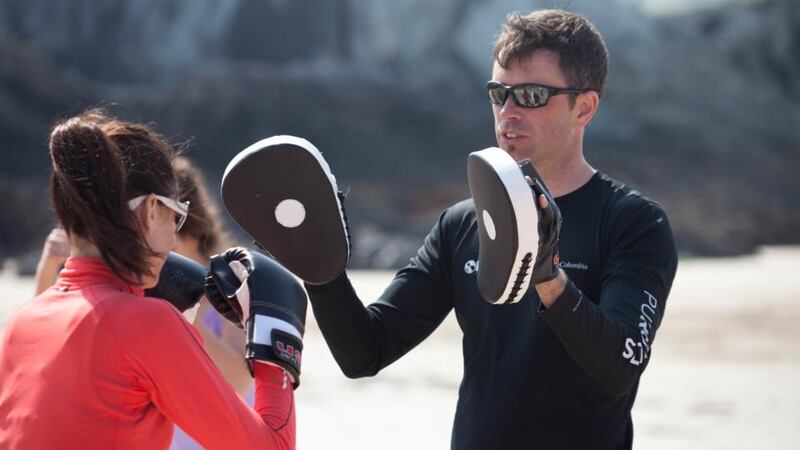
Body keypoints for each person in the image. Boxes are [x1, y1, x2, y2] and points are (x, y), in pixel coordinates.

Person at [300, 10, 678, 450]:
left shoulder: (634, 223)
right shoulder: (463, 224)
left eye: (532, 95)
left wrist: (549, 279)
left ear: (584, 108)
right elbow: (365, 352)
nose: (508, 112)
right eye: (499, 94)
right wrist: (320, 269)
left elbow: (620, 366)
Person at [0, 109, 303, 449]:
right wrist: (279, 346)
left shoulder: (21, 324)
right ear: (151, 208)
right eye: (176, 215)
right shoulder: (147, 323)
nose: (173, 237)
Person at [32, 156, 254, 449]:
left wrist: (185, 316)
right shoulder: (143, 293)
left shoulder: (228, 288)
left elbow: (240, 383)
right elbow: (50, 339)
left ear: (187, 229)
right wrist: (49, 267)